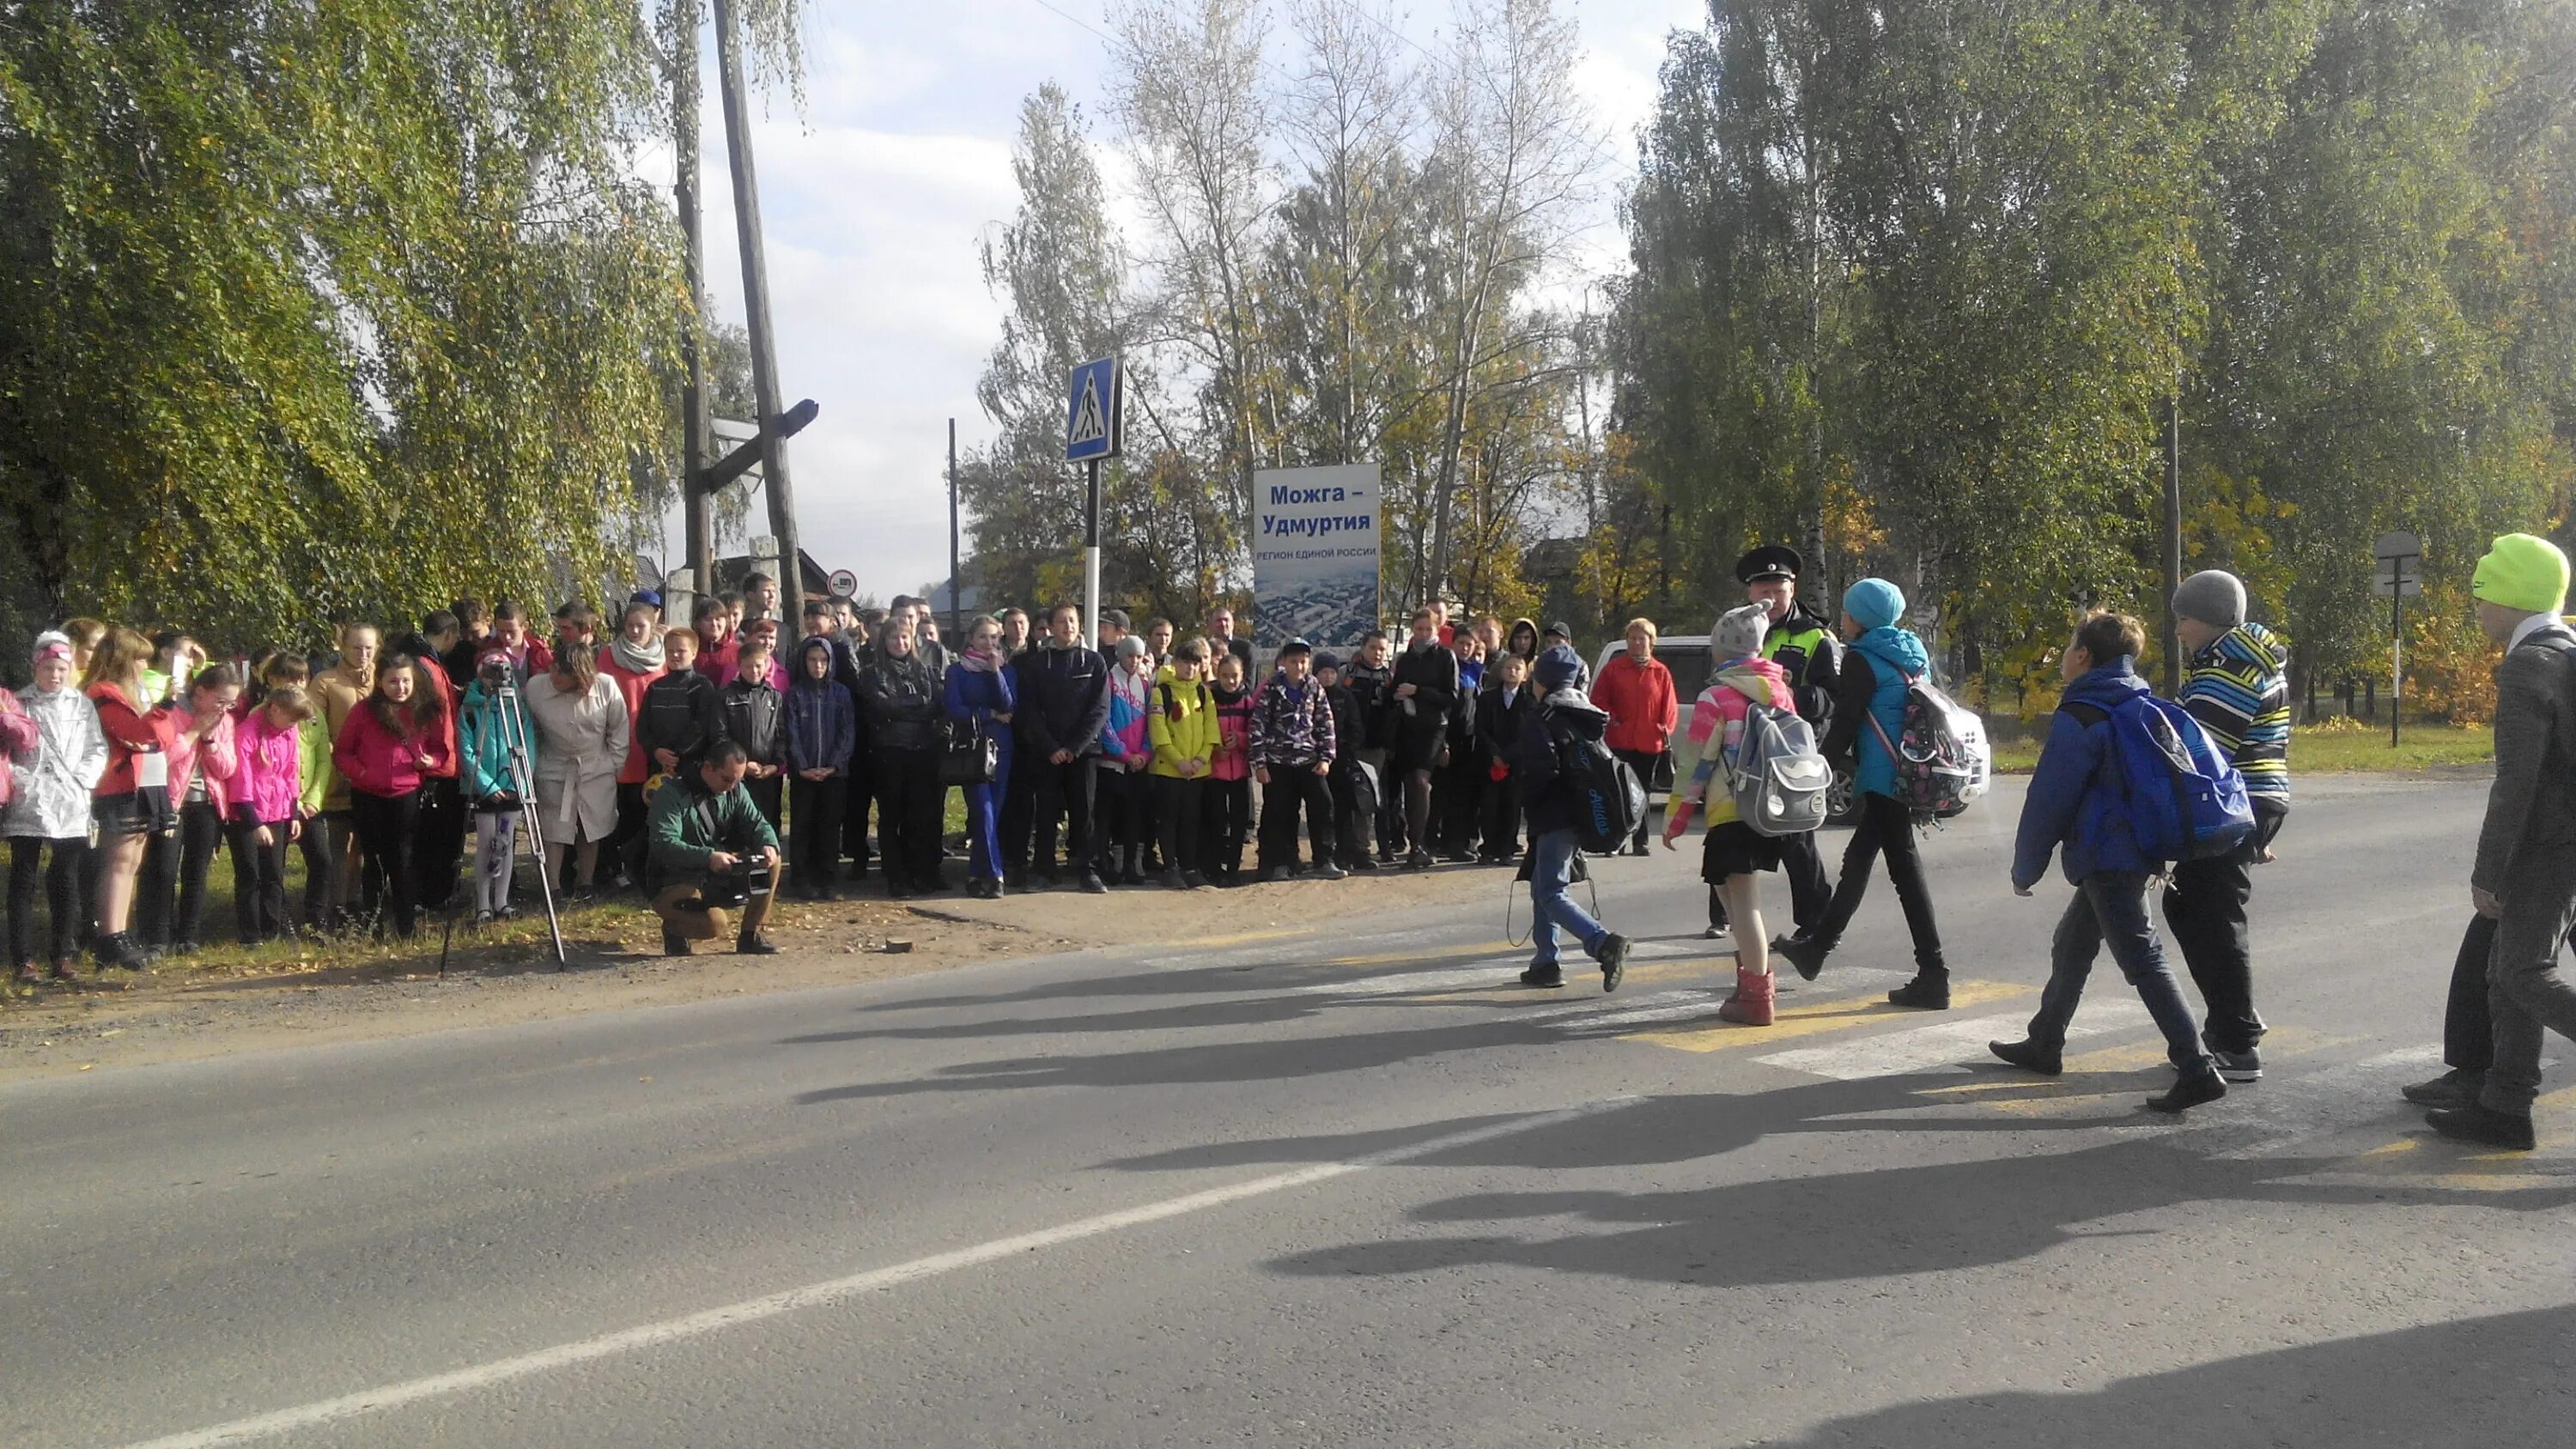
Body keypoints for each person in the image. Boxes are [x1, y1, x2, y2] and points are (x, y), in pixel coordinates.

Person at [1989, 612, 2227, 1112]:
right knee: (2073, 942)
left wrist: (2025, 867)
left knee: (2143, 958)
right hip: (2136, 848)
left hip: (2106, 853)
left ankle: (2196, 1067)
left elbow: (2049, 797)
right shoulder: (2140, 705)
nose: (2064, 654)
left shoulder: (2084, 713)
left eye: (2070, 644)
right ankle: (2044, 1042)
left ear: (2082, 657)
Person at [2424, 535, 2576, 1150]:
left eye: (2481, 597)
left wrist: (2489, 871)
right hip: (2564, 841)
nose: (2476, 610)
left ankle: (2507, 1104)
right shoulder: (2566, 649)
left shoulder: (2527, 665)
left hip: (2551, 844)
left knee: (2520, 971)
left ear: (2510, 599)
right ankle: (2505, 1107)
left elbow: (2517, 781)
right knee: (2501, 971)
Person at [1773, 578, 1950, 1009]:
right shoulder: (1911, 651)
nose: (1845, 618)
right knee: (1858, 861)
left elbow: (1847, 721)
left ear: (1862, 619)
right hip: (1909, 769)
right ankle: (1816, 950)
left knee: (1905, 870)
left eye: (1849, 612)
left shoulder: (1861, 660)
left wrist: (1817, 767)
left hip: (1882, 774)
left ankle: (1934, 974)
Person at [2167, 569, 2292, 1082]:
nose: (2177, 629)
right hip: (2252, 799)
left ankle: (2238, 1040)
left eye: (2184, 619)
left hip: (2233, 799)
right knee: (2194, 905)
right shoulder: (2233, 659)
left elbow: (2202, 746)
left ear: (2210, 620)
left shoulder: (2229, 667)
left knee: (2212, 914)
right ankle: (2231, 1020)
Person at [1663, 606, 1801, 1024]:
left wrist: (1675, 818)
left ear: (1723, 648)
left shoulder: (1717, 695)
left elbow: (1695, 764)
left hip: (1730, 809)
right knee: (1732, 895)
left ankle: (1758, 997)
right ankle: (1751, 983)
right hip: (1769, 808)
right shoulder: (1779, 690)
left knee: (1743, 904)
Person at [1513, 644, 1634, 991]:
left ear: (1542, 682)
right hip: (1581, 812)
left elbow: (1543, 769)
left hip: (1553, 815)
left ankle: (1602, 943)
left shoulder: (1542, 717)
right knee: (1542, 886)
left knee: (1551, 890)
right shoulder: (1587, 714)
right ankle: (1546, 962)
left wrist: (1525, 801)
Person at [1741, 547, 1841, 937]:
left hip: (1791, 752)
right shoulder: (1740, 630)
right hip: (1745, 748)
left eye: (1777, 588)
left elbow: (1833, 698)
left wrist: (1791, 694)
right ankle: (1727, 914)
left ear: (1792, 588)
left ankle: (1816, 920)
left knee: (1796, 837)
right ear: (1750, 592)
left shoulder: (1816, 636)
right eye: (1762, 588)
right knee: (1734, 830)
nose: (1769, 597)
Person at [5, 634, 106, 981]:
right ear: (36, 667)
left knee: (66, 877)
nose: (55, 675)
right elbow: (8, 754)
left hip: (70, 801)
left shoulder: (82, 706)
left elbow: (97, 748)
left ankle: (63, 954)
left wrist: (82, 779)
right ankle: (22, 960)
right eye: (48, 668)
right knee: (24, 876)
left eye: (61, 668)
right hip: (30, 801)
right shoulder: (17, 703)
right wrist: (23, 782)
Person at [332, 652, 453, 940]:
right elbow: (342, 752)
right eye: (393, 681)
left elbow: (441, 750)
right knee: (373, 861)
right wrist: (361, 773)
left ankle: (405, 927)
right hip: (368, 796)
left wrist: (430, 763)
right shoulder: (364, 711)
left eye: (405, 681)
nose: (400, 687)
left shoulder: (425, 710)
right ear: (381, 682)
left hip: (406, 795)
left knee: (403, 861)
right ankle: (373, 927)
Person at [82, 627, 177, 969]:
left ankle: (120, 933)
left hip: (142, 782)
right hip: (117, 785)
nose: (143, 667)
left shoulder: (133, 694)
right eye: (139, 660)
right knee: (118, 863)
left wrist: (159, 718)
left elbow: (161, 738)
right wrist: (165, 707)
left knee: (131, 864)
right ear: (123, 660)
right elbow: (138, 734)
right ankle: (110, 938)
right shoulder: (102, 694)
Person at [138, 664, 240, 956]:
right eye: (220, 701)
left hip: (207, 803)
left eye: (230, 703)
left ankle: (189, 936)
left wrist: (209, 740)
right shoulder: (171, 714)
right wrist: (195, 731)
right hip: (171, 803)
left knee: (197, 871)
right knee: (163, 870)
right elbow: (164, 758)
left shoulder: (225, 722)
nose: (224, 708)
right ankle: (156, 937)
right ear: (199, 692)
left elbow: (227, 768)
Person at [647, 738, 783, 957]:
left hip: (716, 872)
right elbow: (664, 844)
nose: (730, 787)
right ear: (708, 768)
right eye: (727, 779)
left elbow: (757, 823)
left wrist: (768, 844)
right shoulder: (671, 794)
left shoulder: (736, 790)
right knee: (714, 925)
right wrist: (708, 857)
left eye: (736, 781)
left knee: (771, 862)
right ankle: (673, 929)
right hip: (673, 880)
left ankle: (751, 935)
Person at [523, 623, 630, 900]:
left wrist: (613, 765)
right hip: (554, 767)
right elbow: (527, 728)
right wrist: (533, 764)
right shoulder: (536, 688)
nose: (554, 674)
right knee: (554, 828)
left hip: (596, 766)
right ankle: (553, 886)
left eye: (561, 672)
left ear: (579, 675)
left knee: (590, 826)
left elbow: (619, 730)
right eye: (554, 668)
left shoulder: (605, 687)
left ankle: (586, 882)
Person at [1018, 604, 1112, 892]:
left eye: (1072, 621)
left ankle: (1088, 869)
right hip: (1047, 754)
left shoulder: (1094, 662)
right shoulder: (1037, 663)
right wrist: (1051, 747)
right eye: (1061, 621)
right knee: (1046, 813)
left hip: (1082, 754)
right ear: (1052, 626)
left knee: (1084, 813)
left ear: (1079, 625)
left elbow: (1100, 709)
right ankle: (1044, 870)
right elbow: (1029, 709)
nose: (1067, 626)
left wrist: (1074, 747)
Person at [857, 612, 947, 896]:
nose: (899, 642)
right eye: (894, 637)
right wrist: (915, 708)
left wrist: (908, 709)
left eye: (905, 637)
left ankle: (921, 872)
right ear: (884, 641)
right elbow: (884, 706)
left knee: (920, 816)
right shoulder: (872, 673)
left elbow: (935, 705)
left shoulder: (925, 671)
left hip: (923, 751)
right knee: (891, 816)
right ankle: (896, 876)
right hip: (889, 753)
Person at [1252, 638, 1342, 882]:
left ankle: (1325, 859)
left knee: (1323, 806)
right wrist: (1260, 763)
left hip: (1309, 760)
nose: (1299, 667)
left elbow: (1326, 724)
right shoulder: (1271, 688)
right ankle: (1282, 862)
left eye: (1303, 662)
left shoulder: (1314, 687)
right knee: (1279, 812)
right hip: (1278, 761)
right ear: (1283, 662)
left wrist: (1326, 758)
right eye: (1294, 661)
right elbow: (1258, 725)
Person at [456, 649, 533, 926]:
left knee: (507, 841)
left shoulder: (517, 703)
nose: (498, 680)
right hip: (483, 784)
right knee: (487, 844)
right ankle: (483, 904)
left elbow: (528, 742)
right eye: (492, 674)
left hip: (511, 782)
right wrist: (485, 784)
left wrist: (520, 780)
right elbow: (466, 749)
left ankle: (502, 901)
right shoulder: (471, 706)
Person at [228, 681, 308, 943]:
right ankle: (250, 935)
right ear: (274, 709)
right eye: (292, 717)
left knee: (274, 874)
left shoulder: (290, 733)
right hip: (248, 814)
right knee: (250, 874)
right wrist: (254, 822)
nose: (294, 724)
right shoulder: (247, 733)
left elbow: (291, 772)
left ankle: (271, 929)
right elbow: (242, 780)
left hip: (278, 812)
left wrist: (292, 813)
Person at [312, 620, 380, 925]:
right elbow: (315, 727)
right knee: (340, 845)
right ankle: (337, 903)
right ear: (343, 647)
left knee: (366, 843)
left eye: (369, 647)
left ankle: (361, 900)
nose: (363, 654)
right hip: (339, 777)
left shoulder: (384, 678)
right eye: (357, 647)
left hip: (377, 777)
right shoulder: (326, 682)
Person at [1591, 617, 1677, 858]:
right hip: (1620, 740)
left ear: (1651, 642)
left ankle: (1642, 841)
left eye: (1642, 638)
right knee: (1619, 791)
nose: (1637, 643)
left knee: (1644, 794)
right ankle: (1618, 840)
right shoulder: (1614, 669)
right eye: (1633, 638)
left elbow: (1669, 707)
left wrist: (1664, 728)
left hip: (1649, 743)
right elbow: (1599, 700)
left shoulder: (1660, 672)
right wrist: (1614, 717)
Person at [598, 598, 668, 892]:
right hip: (618, 742)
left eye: (641, 626)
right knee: (615, 812)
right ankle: (610, 869)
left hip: (652, 746)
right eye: (630, 626)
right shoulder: (607, 656)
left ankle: (638, 868)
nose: (636, 631)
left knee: (645, 811)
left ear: (653, 626)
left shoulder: (664, 656)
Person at [946, 615, 1018, 900]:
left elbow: (1010, 703)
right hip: (973, 749)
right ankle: (996, 875)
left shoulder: (1006, 669)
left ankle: (976, 875)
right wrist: (989, 715)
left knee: (991, 815)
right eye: (982, 637)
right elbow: (954, 708)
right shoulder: (957, 671)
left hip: (1003, 748)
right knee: (983, 811)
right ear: (971, 639)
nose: (989, 643)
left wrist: (995, 672)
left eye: (994, 638)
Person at [786, 635, 857, 900]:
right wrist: (801, 766)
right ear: (804, 662)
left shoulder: (840, 693)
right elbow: (791, 732)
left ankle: (828, 879)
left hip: (834, 773)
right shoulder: (795, 693)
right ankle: (801, 878)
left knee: (829, 827)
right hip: (803, 774)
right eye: (812, 660)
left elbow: (847, 732)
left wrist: (834, 765)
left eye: (823, 660)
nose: (818, 666)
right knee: (802, 825)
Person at [1388, 607, 1458, 870]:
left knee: (1421, 782)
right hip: (1407, 726)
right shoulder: (1405, 659)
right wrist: (1397, 694)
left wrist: (1418, 691)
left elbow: (1451, 697)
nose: (1423, 633)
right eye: (1418, 629)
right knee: (1409, 784)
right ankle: (1413, 845)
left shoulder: (1445, 656)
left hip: (1433, 727)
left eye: (1428, 629)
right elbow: (1395, 688)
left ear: (1437, 629)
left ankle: (1420, 842)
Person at [1147, 638, 1217, 889]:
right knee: (1168, 819)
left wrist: (1200, 759)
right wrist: (1179, 762)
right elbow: (1159, 732)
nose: (1190, 668)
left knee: (1191, 819)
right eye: (1185, 662)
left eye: (1195, 663)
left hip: (1197, 772)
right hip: (1169, 771)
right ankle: (1170, 866)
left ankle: (1189, 866)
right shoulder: (1161, 692)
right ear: (1175, 663)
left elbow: (1212, 729)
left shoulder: (1203, 692)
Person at [1094, 636, 1156, 885]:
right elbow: (1104, 722)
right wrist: (1123, 754)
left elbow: (1152, 723)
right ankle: (1105, 863)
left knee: (1134, 816)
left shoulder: (1145, 683)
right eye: (1130, 656)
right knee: (1107, 817)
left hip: (1138, 763)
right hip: (1112, 762)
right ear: (1121, 655)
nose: (1134, 661)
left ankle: (1131, 863)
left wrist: (1144, 753)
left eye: (1139, 657)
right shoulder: (1108, 680)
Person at [718, 633, 787, 830]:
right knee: (738, 824)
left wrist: (776, 764)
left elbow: (781, 733)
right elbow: (720, 735)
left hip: (768, 774)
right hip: (737, 773)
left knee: (768, 822)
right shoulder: (726, 696)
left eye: (759, 666)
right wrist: (742, 764)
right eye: (748, 666)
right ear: (739, 667)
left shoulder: (774, 697)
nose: (754, 671)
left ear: (766, 665)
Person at [1314, 651, 1376, 872]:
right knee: (1322, 809)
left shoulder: (1344, 696)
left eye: (1332, 672)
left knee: (1344, 810)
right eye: (1323, 672)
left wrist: (1346, 751)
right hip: (1316, 762)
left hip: (1341, 761)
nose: (1328, 676)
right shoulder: (1309, 695)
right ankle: (1323, 854)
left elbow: (1356, 727)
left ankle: (1347, 852)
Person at [1474, 650, 1536, 864]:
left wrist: (1509, 755)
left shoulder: (1530, 702)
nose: (1512, 672)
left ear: (1525, 675)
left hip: (1517, 763)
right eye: (1508, 668)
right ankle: (1489, 847)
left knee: (1511, 805)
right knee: (1489, 805)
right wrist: (1494, 754)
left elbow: (1529, 734)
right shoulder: (1488, 698)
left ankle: (1507, 848)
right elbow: (1480, 728)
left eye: (1517, 669)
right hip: (1490, 760)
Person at [1341, 630, 1398, 863]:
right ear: (1363, 648)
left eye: (1382, 649)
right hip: (1351, 746)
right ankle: (1356, 848)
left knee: (1379, 800)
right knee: (1354, 799)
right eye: (1373, 647)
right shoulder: (1348, 674)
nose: (1377, 653)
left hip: (1378, 748)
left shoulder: (1389, 679)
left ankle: (1385, 846)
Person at [638, 627, 722, 778]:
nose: (675, 655)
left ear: (694, 653)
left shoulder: (701, 686)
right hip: (657, 766)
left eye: (681, 651)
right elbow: (643, 727)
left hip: (690, 767)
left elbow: (702, 727)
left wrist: (675, 756)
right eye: (670, 651)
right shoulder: (655, 687)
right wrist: (656, 751)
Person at [1432, 627, 1485, 862]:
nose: (1465, 648)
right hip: (1448, 738)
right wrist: (1443, 744)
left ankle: (1459, 842)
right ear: (1452, 644)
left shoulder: (1477, 671)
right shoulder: (1447, 669)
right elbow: (1442, 707)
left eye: (1469, 644)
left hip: (1470, 741)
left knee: (1465, 796)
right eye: (1461, 643)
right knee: (1444, 794)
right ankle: (1437, 841)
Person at [1203, 650, 1254, 886]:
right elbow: (1201, 728)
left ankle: (1233, 868)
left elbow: (1256, 731)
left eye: (1234, 676)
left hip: (1240, 771)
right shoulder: (1208, 698)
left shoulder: (1247, 701)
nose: (1230, 681)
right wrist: (1215, 748)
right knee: (1216, 820)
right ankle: (1213, 867)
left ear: (1242, 676)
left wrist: (1241, 739)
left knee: (1239, 821)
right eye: (1225, 676)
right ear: (1218, 675)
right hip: (1214, 771)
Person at [1206, 605, 1255, 679]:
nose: (1223, 623)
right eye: (1218, 620)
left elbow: (1249, 684)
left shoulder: (1246, 648)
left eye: (1226, 620)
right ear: (1211, 625)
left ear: (1233, 624)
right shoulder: (1205, 648)